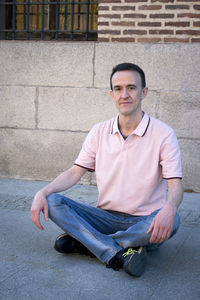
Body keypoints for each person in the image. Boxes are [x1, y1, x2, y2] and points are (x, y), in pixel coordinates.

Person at [31, 63, 183, 277]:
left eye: (131, 87)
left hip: (145, 222)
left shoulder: (164, 134)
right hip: (104, 218)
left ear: (144, 92)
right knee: (52, 201)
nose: (125, 94)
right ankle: (122, 250)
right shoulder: (99, 131)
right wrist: (42, 192)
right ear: (111, 94)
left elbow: (175, 185)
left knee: (174, 218)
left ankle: (89, 244)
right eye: (118, 89)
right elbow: (75, 172)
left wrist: (169, 207)